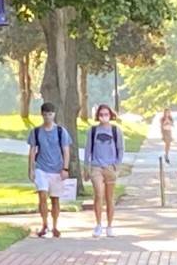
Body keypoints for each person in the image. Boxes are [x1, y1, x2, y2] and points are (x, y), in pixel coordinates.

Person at [27, 101, 72, 238]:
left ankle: (55, 226)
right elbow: (32, 151)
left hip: (57, 169)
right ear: (42, 115)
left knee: (55, 200)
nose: (48, 117)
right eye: (45, 114)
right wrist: (31, 169)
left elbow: (66, 151)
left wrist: (65, 168)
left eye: (50, 114)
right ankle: (44, 224)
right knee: (42, 195)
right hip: (41, 168)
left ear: (54, 115)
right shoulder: (36, 132)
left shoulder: (60, 131)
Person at [83, 104, 124, 238]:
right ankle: (98, 224)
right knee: (98, 194)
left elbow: (120, 148)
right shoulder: (93, 130)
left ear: (110, 115)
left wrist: (117, 165)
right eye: (101, 115)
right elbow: (88, 149)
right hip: (96, 166)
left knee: (109, 198)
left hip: (110, 167)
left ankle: (110, 226)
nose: (103, 117)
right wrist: (86, 166)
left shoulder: (115, 130)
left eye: (106, 114)